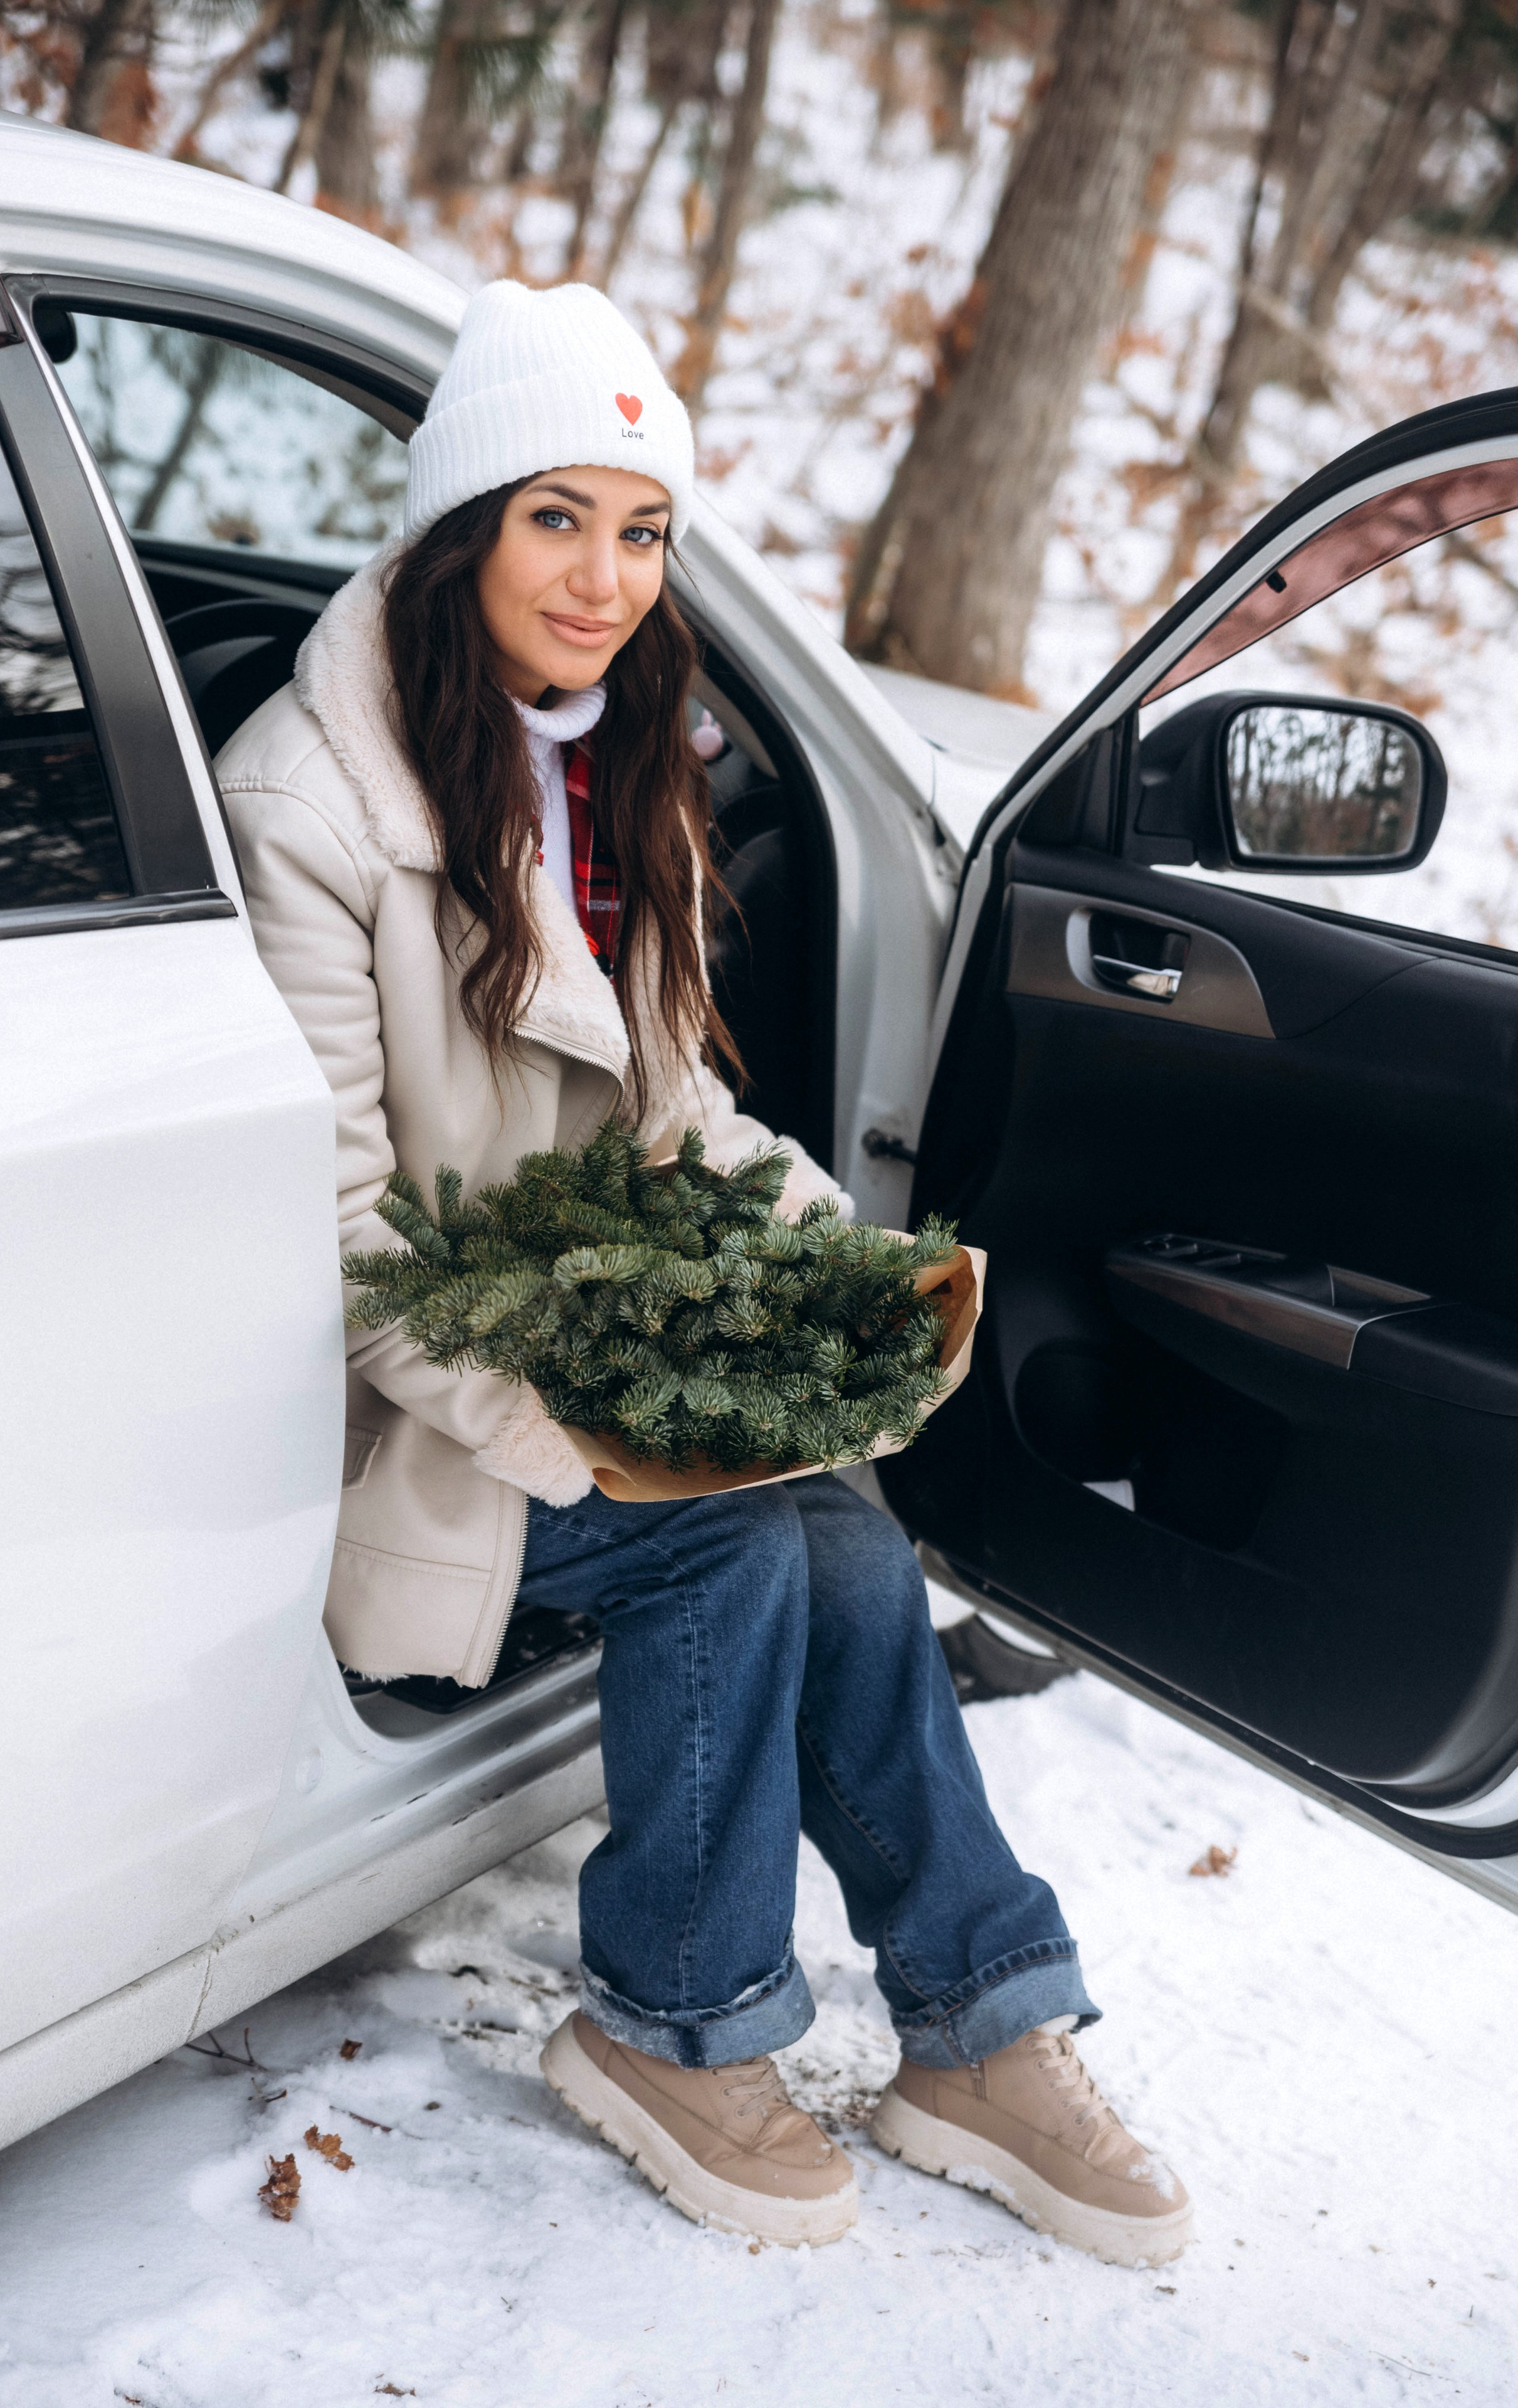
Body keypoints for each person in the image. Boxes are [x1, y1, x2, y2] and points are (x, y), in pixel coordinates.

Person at [216, 279, 1193, 2266]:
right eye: (555, 517)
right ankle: (673, 2022)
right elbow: (340, 1239)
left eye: (643, 531)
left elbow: (671, 1118)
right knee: (732, 1545)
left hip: (563, 1344)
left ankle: (978, 2024)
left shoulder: (610, 767)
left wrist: (838, 1267)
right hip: (394, 1415)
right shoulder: (306, 806)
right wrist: (586, 1433)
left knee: (835, 1528)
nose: (603, 579)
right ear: (460, 526)